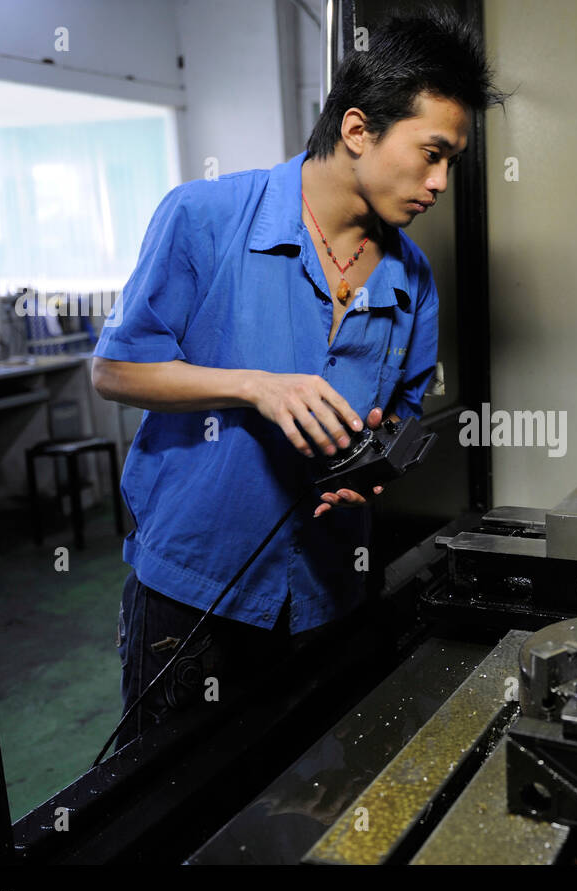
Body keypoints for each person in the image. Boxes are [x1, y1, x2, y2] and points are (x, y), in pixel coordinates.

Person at [91, 7, 503, 746]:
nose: (441, 182)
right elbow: (116, 370)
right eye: (432, 154)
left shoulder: (413, 280)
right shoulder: (204, 217)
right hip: (194, 592)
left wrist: (372, 471)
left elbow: (402, 417)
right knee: (170, 805)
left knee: (296, 797)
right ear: (357, 130)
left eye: (454, 163)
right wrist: (254, 385)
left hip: (328, 591)